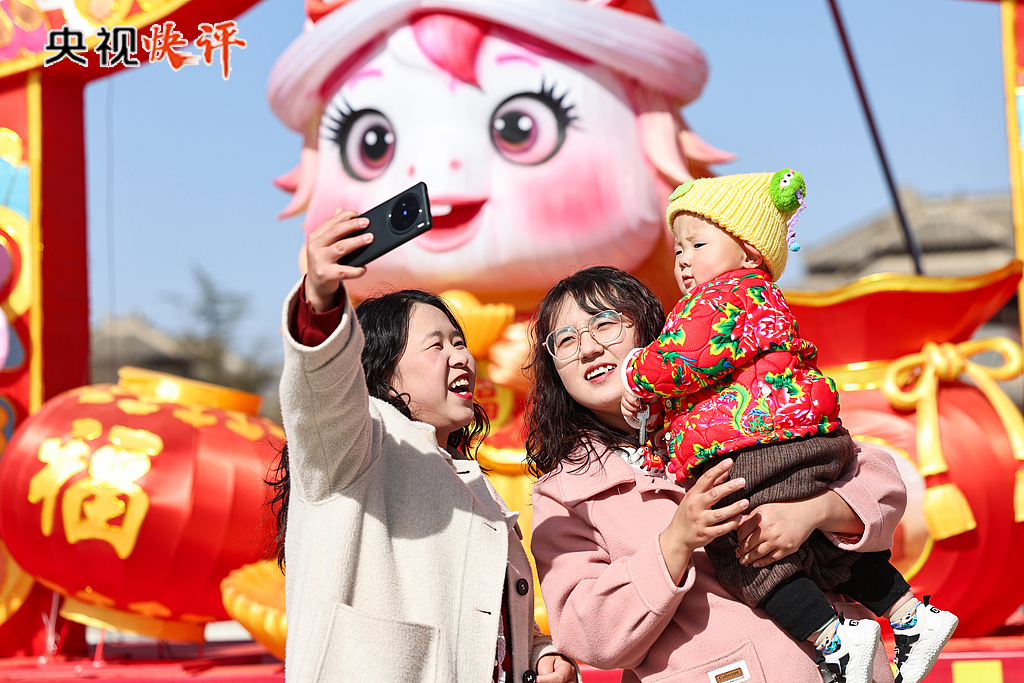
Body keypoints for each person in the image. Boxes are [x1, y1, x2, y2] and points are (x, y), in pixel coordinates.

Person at [617, 171, 957, 683]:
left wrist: (636, 374)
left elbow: (681, 359)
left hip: (760, 443)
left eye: (698, 245)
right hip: (808, 439)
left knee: (744, 552)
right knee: (819, 547)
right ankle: (910, 615)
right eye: (678, 249)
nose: (683, 260)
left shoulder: (719, 300)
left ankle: (834, 641)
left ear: (749, 252)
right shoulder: (763, 299)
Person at [525, 265, 911, 683]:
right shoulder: (564, 494)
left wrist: (814, 512)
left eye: (604, 324)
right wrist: (675, 542)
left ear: (654, 334)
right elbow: (587, 635)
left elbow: (880, 478)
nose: (587, 348)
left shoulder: (736, 401)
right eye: (565, 339)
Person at [268, 208, 579, 683]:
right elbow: (323, 391)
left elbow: (479, 625)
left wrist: (538, 654)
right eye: (437, 345)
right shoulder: (357, 442)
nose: (462, 357)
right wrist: (321, 298)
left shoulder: (469, 482)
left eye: (460, 342)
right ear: (380, 368)